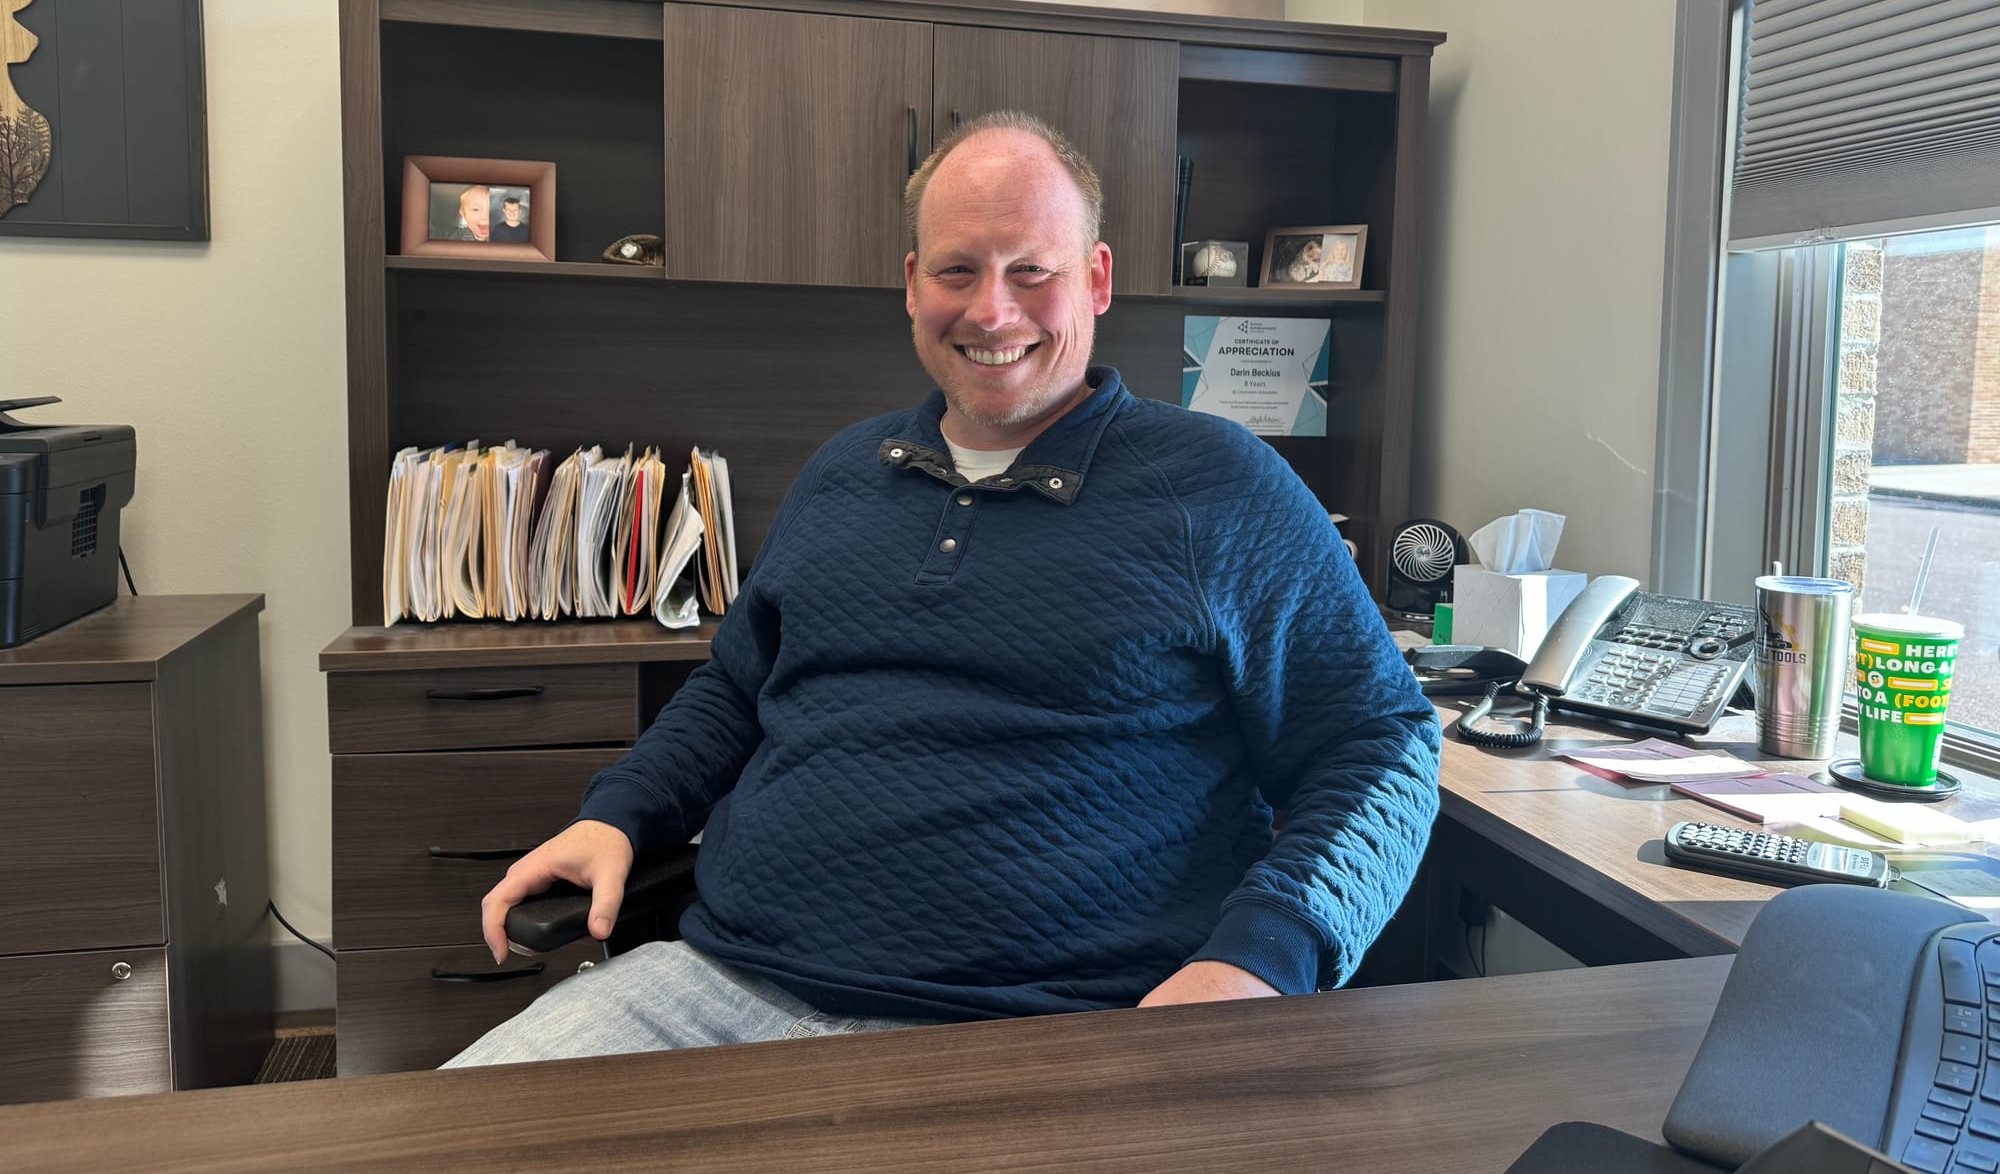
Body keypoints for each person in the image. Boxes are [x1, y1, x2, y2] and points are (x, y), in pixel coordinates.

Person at [443, 111, 1441, 1067]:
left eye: (1030, 272)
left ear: (1094, 280)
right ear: (912, 283)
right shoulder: (843, 471)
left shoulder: (1220, 487)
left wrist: (1261, 958)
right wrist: (617, 812)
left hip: (1049, 1027)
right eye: (957, 270)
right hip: (714, 984)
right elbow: (736, 688)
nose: (991, 310)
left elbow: (1377, 745)